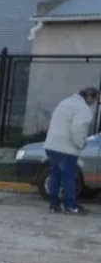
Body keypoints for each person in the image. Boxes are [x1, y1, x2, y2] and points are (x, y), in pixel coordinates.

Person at [43, 85, 99, 215]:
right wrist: (81, 144)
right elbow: (78, 129)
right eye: (95, 100)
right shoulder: (83, 109)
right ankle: (70, 206)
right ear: (89, 97)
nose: (94, 104)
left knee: (55, 175)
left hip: (51, 146)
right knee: (69, 177)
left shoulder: (66, 102)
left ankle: (54, 204)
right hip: (66, 148)